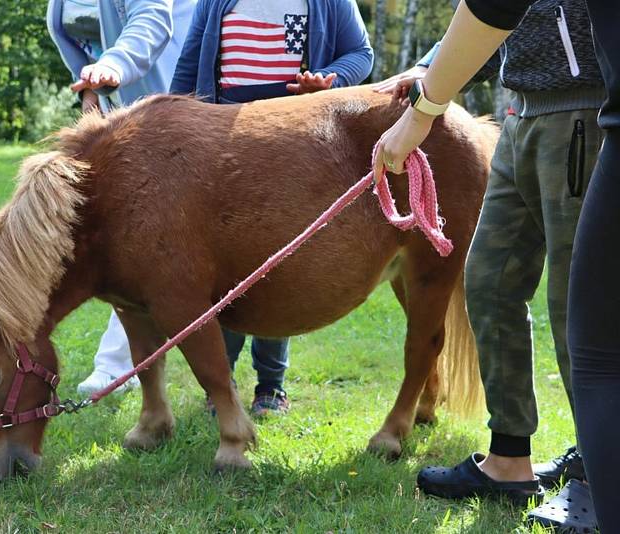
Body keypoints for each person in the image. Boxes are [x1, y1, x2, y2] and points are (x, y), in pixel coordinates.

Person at [372, 0, 619, 531]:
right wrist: (428, 71)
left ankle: (602, 477)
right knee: (489, 282)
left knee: (580, 308)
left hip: (582, 116)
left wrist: (425, 107)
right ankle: (509, 458)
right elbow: (489, 14)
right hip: (521, 115)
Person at [170, 0, 373, 415]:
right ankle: (219, 385)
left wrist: (330, 82)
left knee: (275, 265)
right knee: (224, 269)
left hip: (290, 150)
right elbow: (189, 66)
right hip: (222, 150)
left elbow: (361, 54)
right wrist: (169, 131)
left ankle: (270, 388)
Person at [47, 0, 196, 394]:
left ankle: (117, 364)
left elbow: (152, 19)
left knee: (137, 239)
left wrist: (115, 62)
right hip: (119, 109)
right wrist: (92, 89)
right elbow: (69, 35)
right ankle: (125, 362)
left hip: (172, 103)